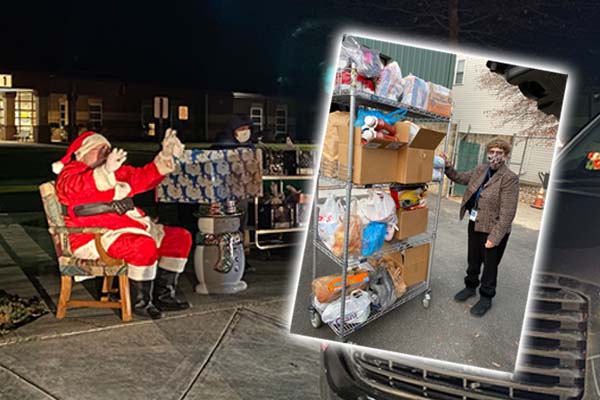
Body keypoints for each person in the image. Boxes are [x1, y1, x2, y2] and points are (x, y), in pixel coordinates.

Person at [53, 129, 191, 320]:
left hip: (126, 227)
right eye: (98, 149)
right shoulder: (73, 171)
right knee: (142, 246)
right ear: (81, 153)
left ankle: (164, 295)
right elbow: (75, 188)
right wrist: (104, 172)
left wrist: (165, 154)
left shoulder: (118, 171)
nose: (105, 153)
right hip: (94, 236)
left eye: (107, 148)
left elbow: (144, 177)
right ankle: (140, 302)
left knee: (179, 238)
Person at [440, 139, 519, 317]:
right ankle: (470, 287)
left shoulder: (509, 178)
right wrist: (448, 166)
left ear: (506, 156)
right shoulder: (480, 170)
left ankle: (486, 297)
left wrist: (495, 237)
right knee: (473, 259)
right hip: (475, 223)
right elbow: (460, 178)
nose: (494, 156)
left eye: (499, 152)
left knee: (490, 265)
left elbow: (508, 212)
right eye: (491, 151)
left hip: (494, 228)